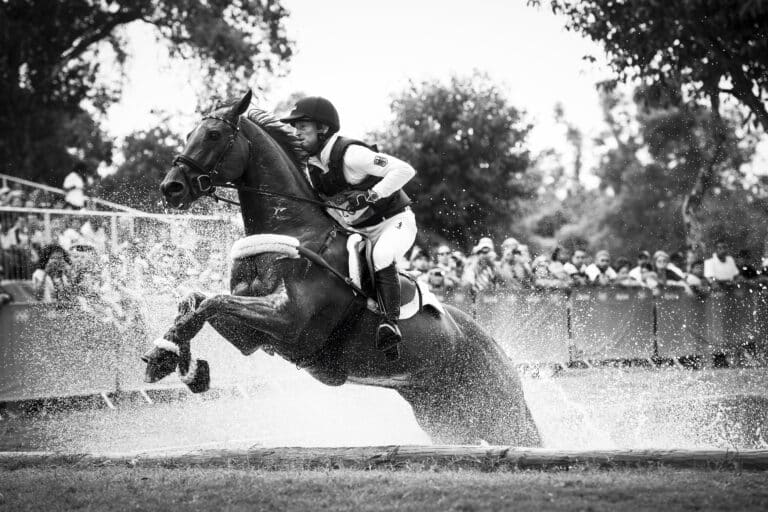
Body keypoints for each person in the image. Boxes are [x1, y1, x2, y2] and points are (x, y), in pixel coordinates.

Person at [282, 96, 417, 352]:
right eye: (295, 127)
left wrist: (372, 195)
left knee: (381, 255)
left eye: (302, 127)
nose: (296, 133)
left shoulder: (352, 155)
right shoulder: (311, 166)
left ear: (323, 128)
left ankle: (390, 324)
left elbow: (404, 170)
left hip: (394, 223)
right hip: (358, 232)